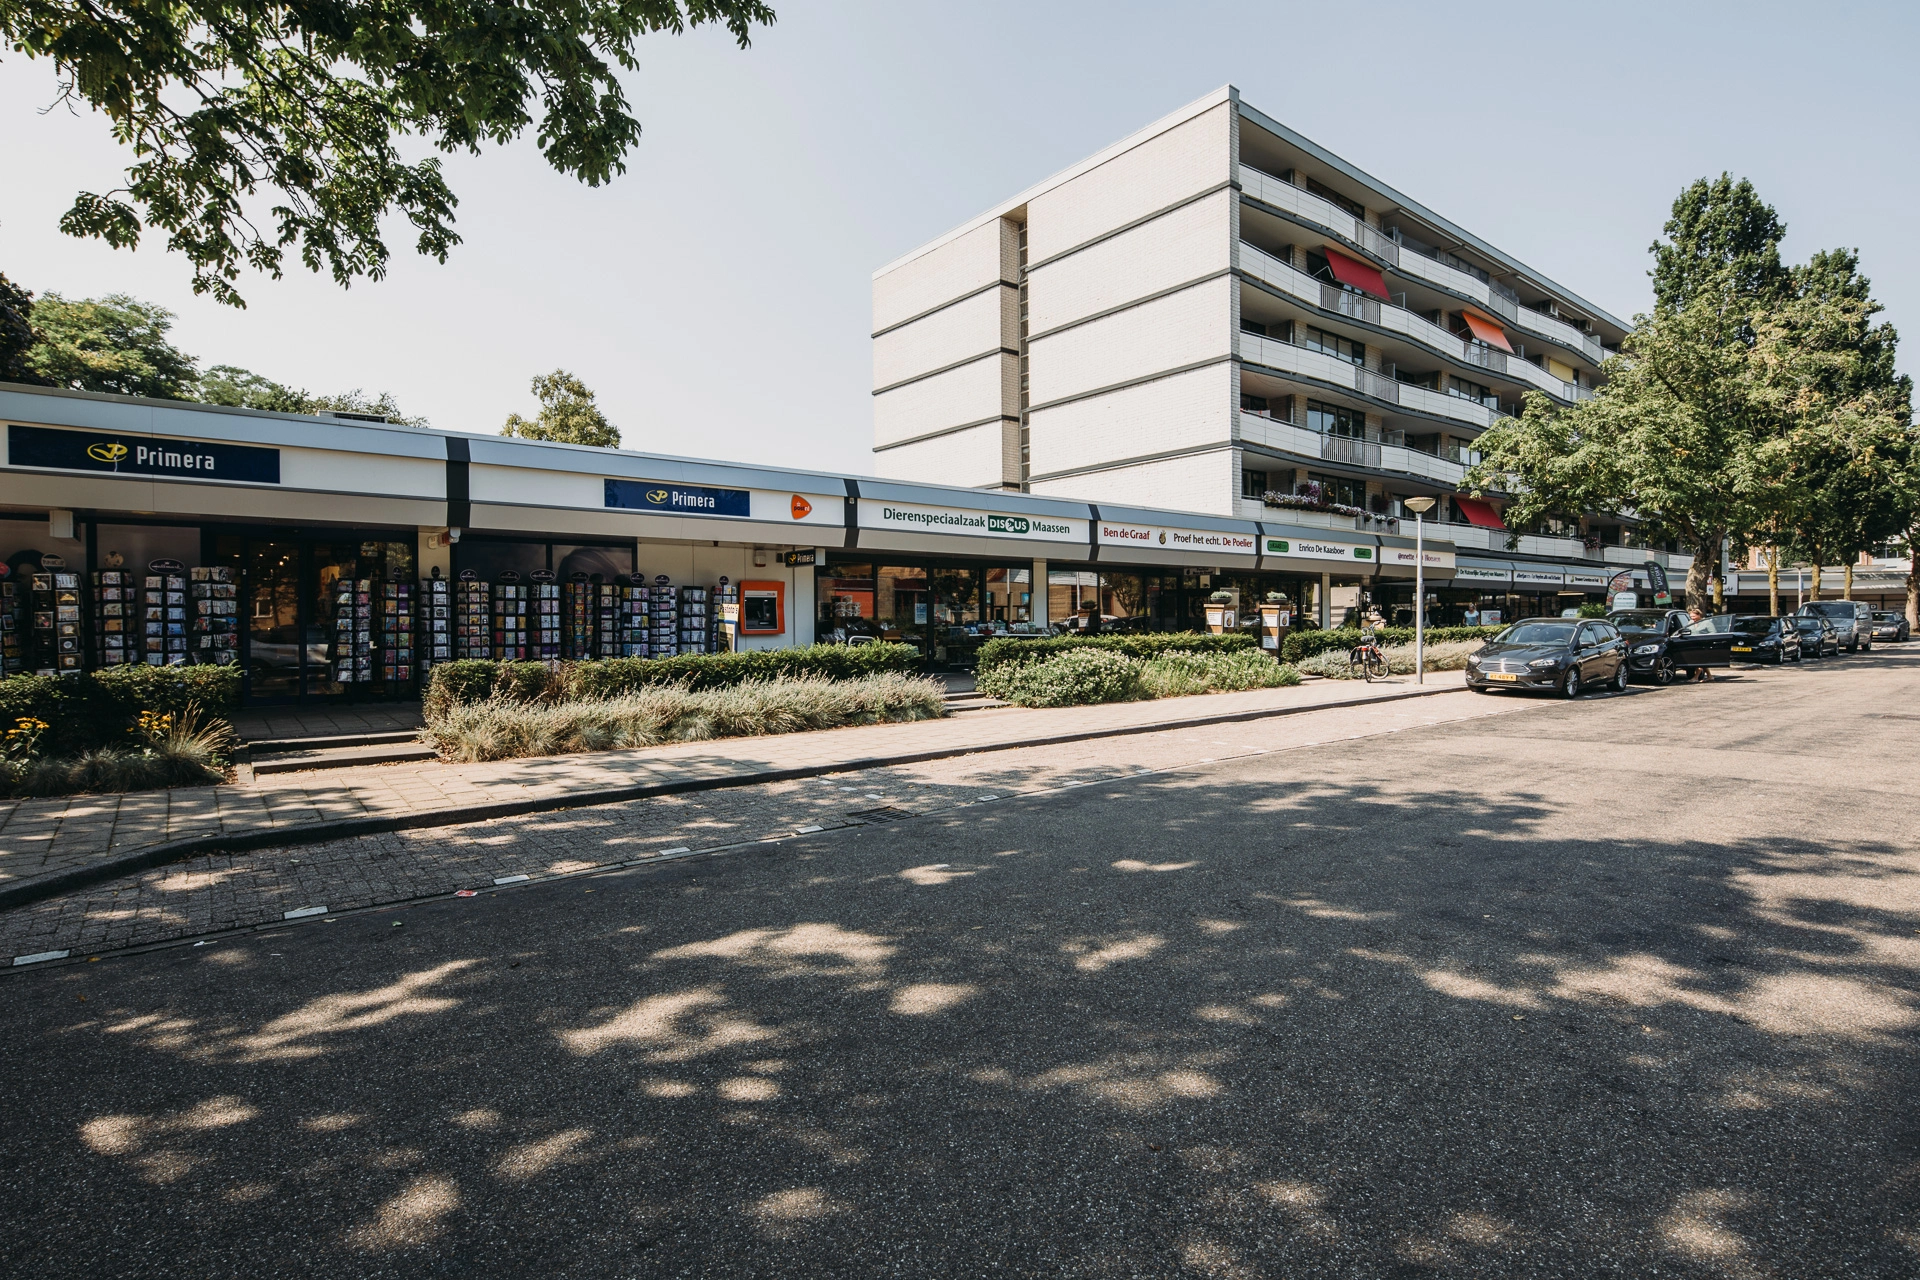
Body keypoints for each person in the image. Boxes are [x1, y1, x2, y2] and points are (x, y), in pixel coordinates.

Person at [1685, 605, 1714, 682]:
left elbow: (1713, 633)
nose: (1692, 618)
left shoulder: (1707, 622)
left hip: (1704, 644)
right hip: (1693, 644)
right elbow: (1687, 631)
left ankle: (1696, 677)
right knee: (1701, 661)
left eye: (1694, 616)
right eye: (1691, 616)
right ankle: (1710, 676)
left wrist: (1704, 638)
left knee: (1700, 660)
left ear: (1699, 615)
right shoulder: (1690, 622)